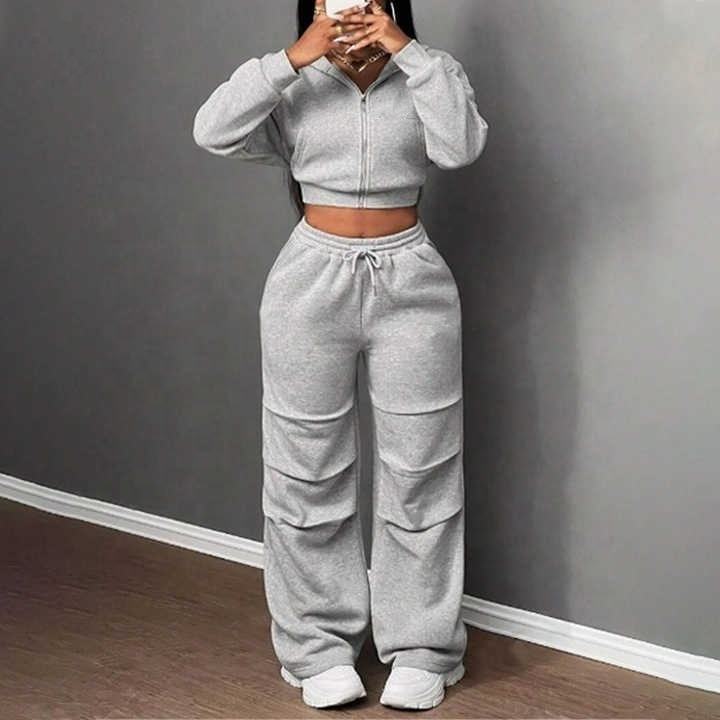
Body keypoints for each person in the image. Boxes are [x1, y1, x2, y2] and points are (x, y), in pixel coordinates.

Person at [193, 0, 488, 709]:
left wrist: (406, 50)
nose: (351, 10)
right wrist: (292, 58)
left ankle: (424, 647)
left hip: (412, 281)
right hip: (309, 282)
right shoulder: (294, 80)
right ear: (315, 7)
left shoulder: (430, 74)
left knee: (422, 468)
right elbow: (212, 130)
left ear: (389, 5)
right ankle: (317, 646)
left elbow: (460, 147)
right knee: (305, 470)